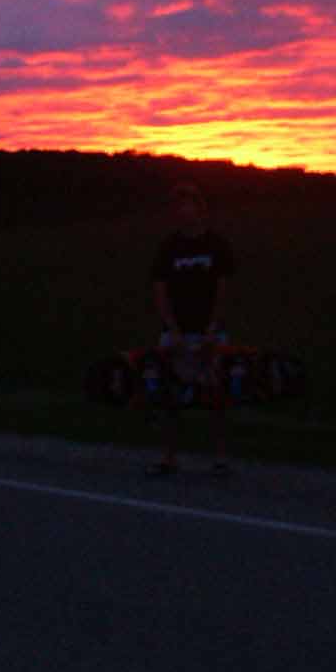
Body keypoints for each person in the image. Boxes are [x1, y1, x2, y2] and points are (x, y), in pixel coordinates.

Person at [146, 184, 237, 476]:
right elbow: (159, 290)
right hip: (176, 332)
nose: (185, 212)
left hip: (210, 331)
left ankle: (220, 459)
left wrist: (213, 327)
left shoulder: (217, 245)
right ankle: (169, 457)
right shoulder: (168, 248)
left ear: (201, 210)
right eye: (180, 207)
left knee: (216, 395)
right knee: (169, 396)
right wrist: (172, 330)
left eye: (190, 205)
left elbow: (224, 289)